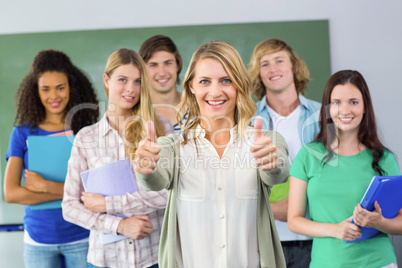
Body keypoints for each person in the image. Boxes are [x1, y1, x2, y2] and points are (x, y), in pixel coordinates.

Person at [135, 41, 290, 268]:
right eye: (205, 81)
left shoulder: (266, 142)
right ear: (191, 87)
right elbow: (155, 180)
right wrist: (146, 169)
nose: (215, 92)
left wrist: (271, 164)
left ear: (239, 85)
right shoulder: (172, 146)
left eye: (226, 80)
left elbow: (278, 174)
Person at [62, 48, 172, 268]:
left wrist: (107, 204)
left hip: (154, 258)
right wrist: (119, 225)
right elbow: (70, 207)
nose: (131, 89)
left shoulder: (161, 129)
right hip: (105, 260)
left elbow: (168, 193)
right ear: (107, 80)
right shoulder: (87, 138)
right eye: (123, 79)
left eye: (138, 81)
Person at [288, 70, 402, 268]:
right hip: (326, 263)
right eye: (337, 102)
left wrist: (378, 223)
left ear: (365, 107)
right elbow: (294, 220)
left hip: (378, 263)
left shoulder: (384, 159)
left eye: (354, 102)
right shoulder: (308, 155)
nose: (345, 110)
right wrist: (335, 229)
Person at [4, 49, 99, 268]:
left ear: (71, 88)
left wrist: (44, 187)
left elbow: (96, 191)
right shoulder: (22, 133)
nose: (53, 96)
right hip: (38, 241)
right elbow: (11, 193)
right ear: (35, 91)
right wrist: (71, 193)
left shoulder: (87, 131)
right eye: (45, 89)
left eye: (60, 87)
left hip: (82, 235)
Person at [248, 38, 321, 267]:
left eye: (279, 60)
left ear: (293, 67)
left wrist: (301, 202)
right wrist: (270, 208)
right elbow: (239, 181)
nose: (273, 69)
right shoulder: (248, 121)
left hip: (318, 235)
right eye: (265, 64)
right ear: (259, 73)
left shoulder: (322, 115)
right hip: (267, 239)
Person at [139, 35, 187, 132]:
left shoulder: (198, 107)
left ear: (177, 65)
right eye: (153, 65)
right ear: (143, 70)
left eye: (168, 63)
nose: (162, 73)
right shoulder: (136, 114)